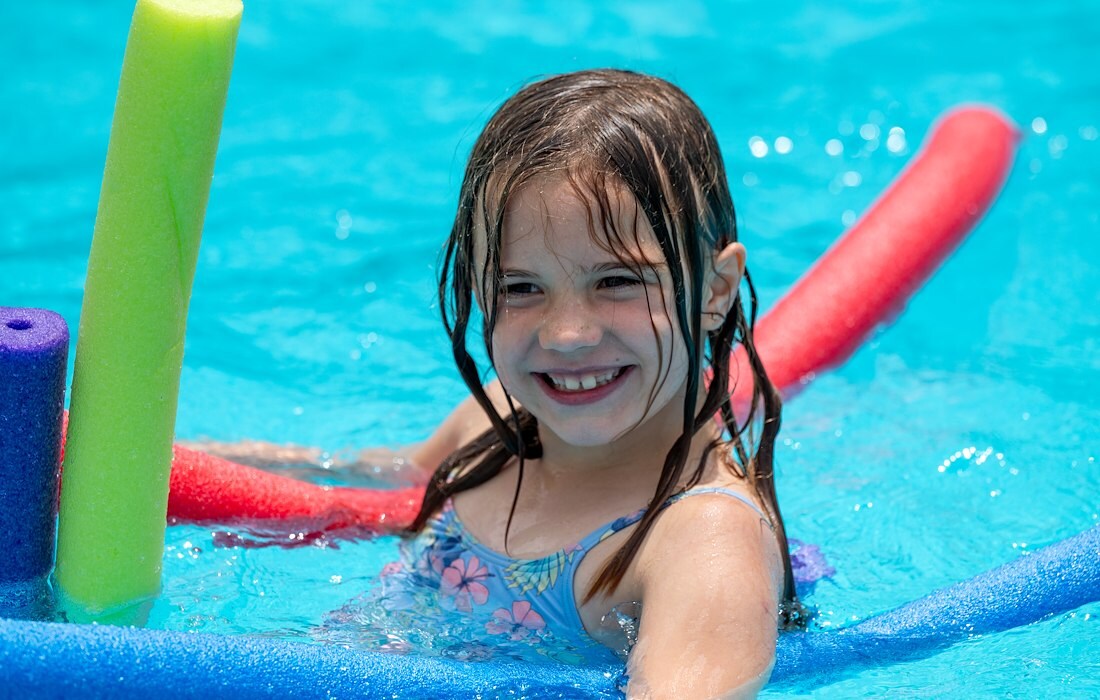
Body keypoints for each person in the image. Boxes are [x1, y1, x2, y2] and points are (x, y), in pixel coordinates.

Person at [202, 68, 804, 699]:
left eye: (617, 281)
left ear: (715, 290)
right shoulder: (501, 417)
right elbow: (375, 472)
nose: (566, 335)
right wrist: (181, 465)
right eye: (522, 288)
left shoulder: (700, 543)